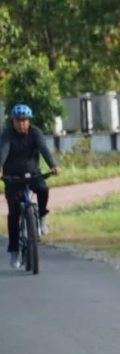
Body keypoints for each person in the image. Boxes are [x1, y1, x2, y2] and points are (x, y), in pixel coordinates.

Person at [0, 103, 60, 269]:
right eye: (18, 120)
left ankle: (41, 217)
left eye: (24, 120)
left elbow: (43, 149)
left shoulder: (35, 133)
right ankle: (14, 251)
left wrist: (53, 165)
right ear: (13, 121)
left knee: (43, 189)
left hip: (33, 174)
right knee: (13, 215)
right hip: (12, 177)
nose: (21, 123)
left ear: (29, 121)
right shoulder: (7, 134)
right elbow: (3, 151)